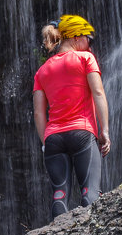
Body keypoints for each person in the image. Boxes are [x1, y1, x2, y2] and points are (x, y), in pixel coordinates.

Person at [33, 15, 110, 219]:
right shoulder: (85, 59)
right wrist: (105, 132)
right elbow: (99, 93)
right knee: (89, 191)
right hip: (82, 133)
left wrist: (45, 142)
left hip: (53, 138)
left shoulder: (42, 71)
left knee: (59, 194)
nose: (90, 44)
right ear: (76, 37)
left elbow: (39, 112)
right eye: (88, 39)